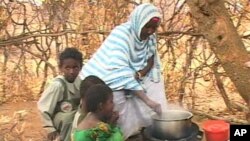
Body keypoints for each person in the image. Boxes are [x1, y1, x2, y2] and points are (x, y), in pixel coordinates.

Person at [79, 3, 168, 139]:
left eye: (154, 27)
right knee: (117, 95)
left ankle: (150, 126)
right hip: (106, 75)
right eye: (147, 26)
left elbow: (151, 60)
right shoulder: (122, 34)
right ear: (139, 22)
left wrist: (139, 75)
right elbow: (119, 71)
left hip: (134, 73)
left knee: (155, 83)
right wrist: (147, 100)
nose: (150, 31)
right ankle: (122, 133)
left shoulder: (150, 37)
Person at [37, 47, 83, 141]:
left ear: (80, 67)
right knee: (69, 118)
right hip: (60, 121)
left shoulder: (80, 83)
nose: (71, 71)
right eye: (67, 68)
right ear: (61, 68)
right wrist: (50, 129)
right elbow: (43, 108)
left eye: (75, 67)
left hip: (73, 120)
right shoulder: (57, 85)